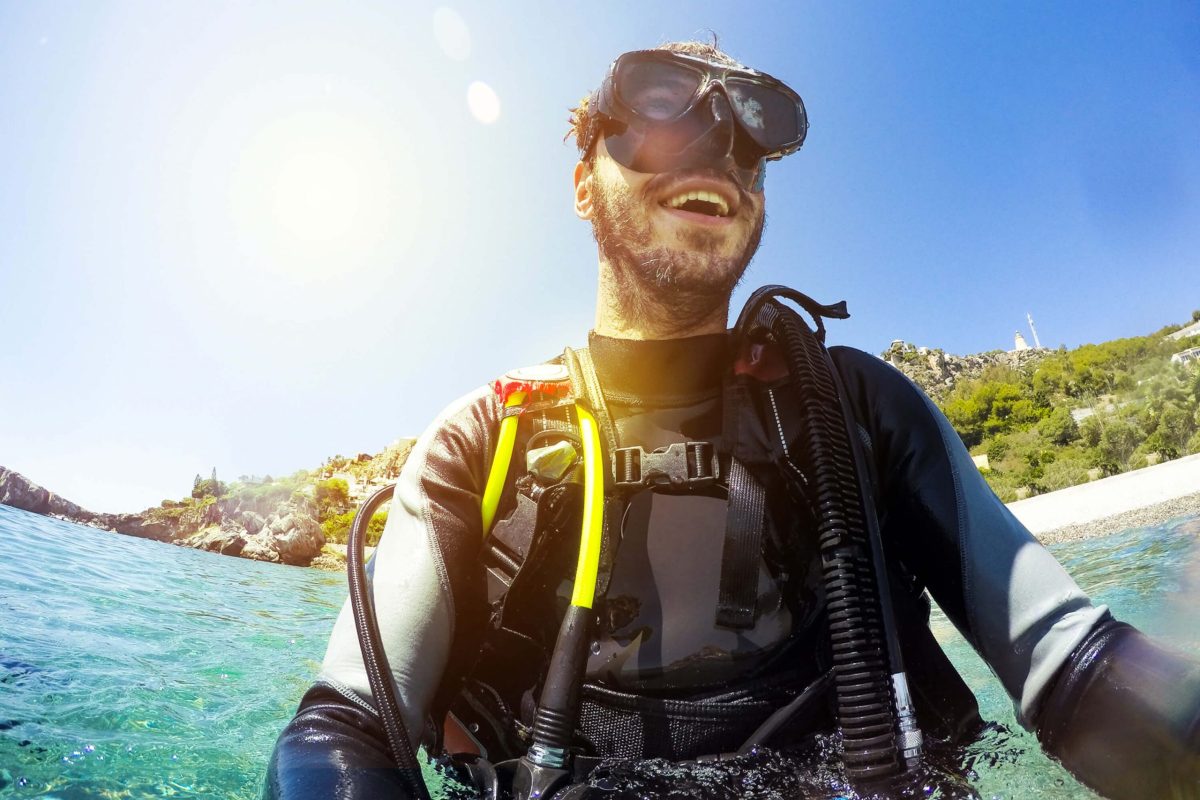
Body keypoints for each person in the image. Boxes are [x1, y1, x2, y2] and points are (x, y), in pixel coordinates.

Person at [264, 41, 1200, 800]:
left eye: (750, 140)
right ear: (583, 181)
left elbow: (1077, 668)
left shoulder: (859, 414)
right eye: (667, 104)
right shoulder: (481, 444)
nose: (720, 149)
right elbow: (338, 732)